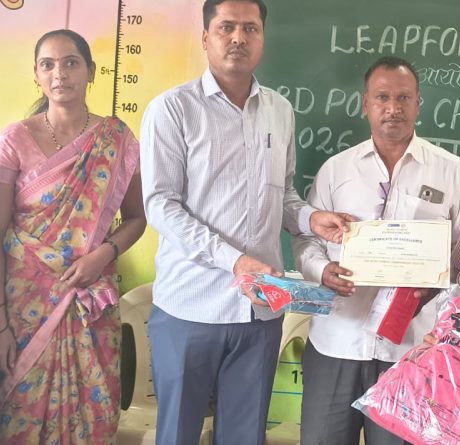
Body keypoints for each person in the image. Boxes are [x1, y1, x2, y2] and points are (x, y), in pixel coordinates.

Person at [139, 1, 351, 444]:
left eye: (250, 28)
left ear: (262, 39)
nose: (238, 38)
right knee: (177, 434)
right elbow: (161, 204)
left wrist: (312, 218)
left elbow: (284, 194)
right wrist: (234, 261)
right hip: (190, 305)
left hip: (259, 311)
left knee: (244, 435)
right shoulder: (173, 109)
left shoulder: (280, 110)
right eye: (226, 27)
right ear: (205, 37)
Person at [291, 56, 460, 445]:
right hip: (337, 340)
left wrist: (437, 287)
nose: (393, 108)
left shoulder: (452, 171)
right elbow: (307, 238)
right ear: (365, 103)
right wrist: (321, 270)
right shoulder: (336, 170)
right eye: (382, 97)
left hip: (413, 349)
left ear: (418, 103)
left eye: (403, 98)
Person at [0, 29, 146, 443]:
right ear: (36, 75)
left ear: (91, 71)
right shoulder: (13, 140)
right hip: (25, 310)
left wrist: (102, 255)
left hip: (89, 305)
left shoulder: (116, 139)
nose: (60, 73)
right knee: (21, 416)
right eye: (48, 65)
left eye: (71, 62)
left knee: (93, 417)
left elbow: (136, 219)